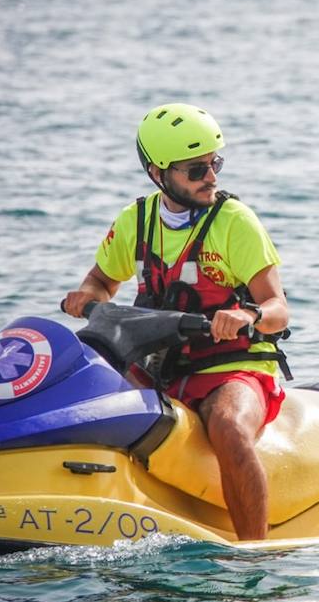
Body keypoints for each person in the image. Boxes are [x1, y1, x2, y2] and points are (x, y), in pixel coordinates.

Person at [62, 103, 289, 540]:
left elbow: (278, 309)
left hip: (233, 367)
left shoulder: (236, 223)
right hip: (156, 365)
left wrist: (247, 314)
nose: (212, 177)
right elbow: (100, 282)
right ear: (158, 174)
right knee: (79, 399)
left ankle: (254, 550)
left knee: (227, 425)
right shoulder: (136, 221)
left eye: (214, 163)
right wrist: (88, 297)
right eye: (195, 169)